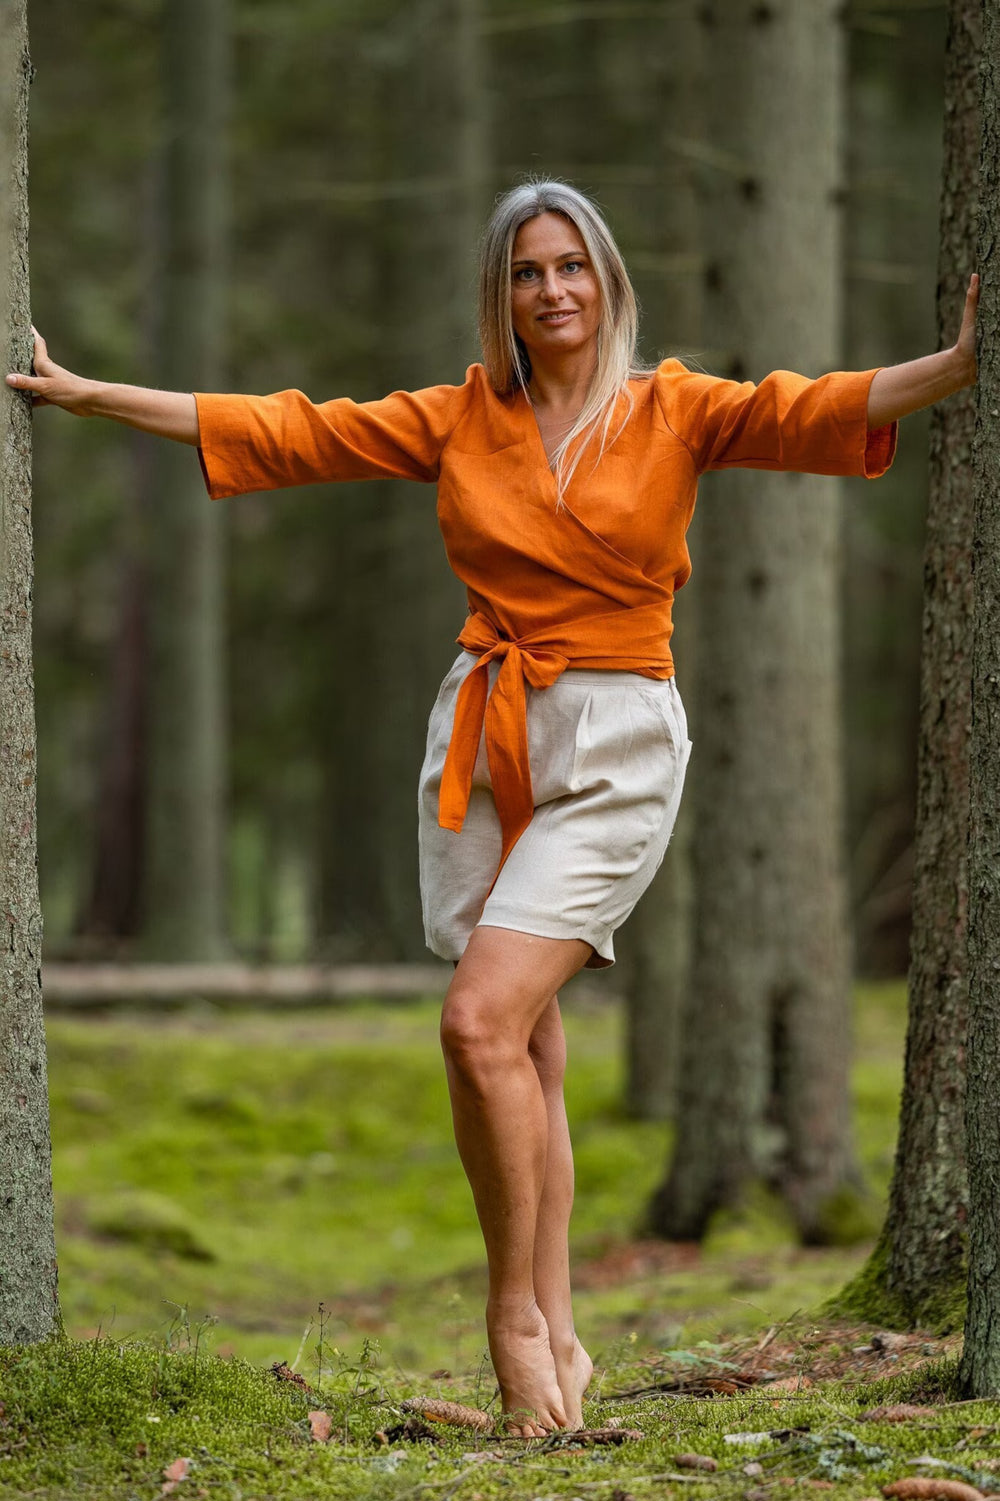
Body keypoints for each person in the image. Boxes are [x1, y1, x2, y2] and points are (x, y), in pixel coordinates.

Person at [8, 180, 978, 1436]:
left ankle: (512, 1317)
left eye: (571, 266)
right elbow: (288, 429)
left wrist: (958, 363)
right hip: (485, 730)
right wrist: (88, 394)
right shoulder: (462, 416)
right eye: (527, 272)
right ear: (501, 295)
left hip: (617, 741)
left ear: (608, 280)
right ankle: (564, 1333)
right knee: (521, 1045)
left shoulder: (672, 406)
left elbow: (815, 406)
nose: (553, 290)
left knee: (478, 1023)